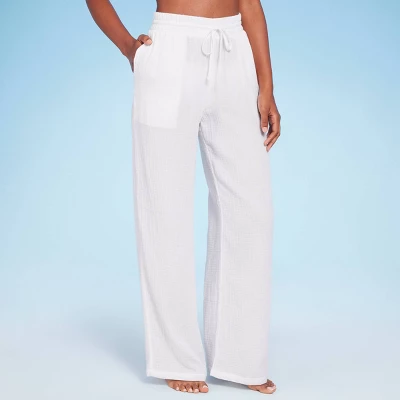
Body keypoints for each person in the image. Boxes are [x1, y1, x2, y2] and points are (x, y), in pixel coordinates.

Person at [86, 0, 281, 394]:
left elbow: (250, 3)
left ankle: (241, 358)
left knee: (250, 212)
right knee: (164, 209)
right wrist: (129, 48)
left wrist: (267, 86)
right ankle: (175, 357)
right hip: (170, 56)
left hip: (234, 54)